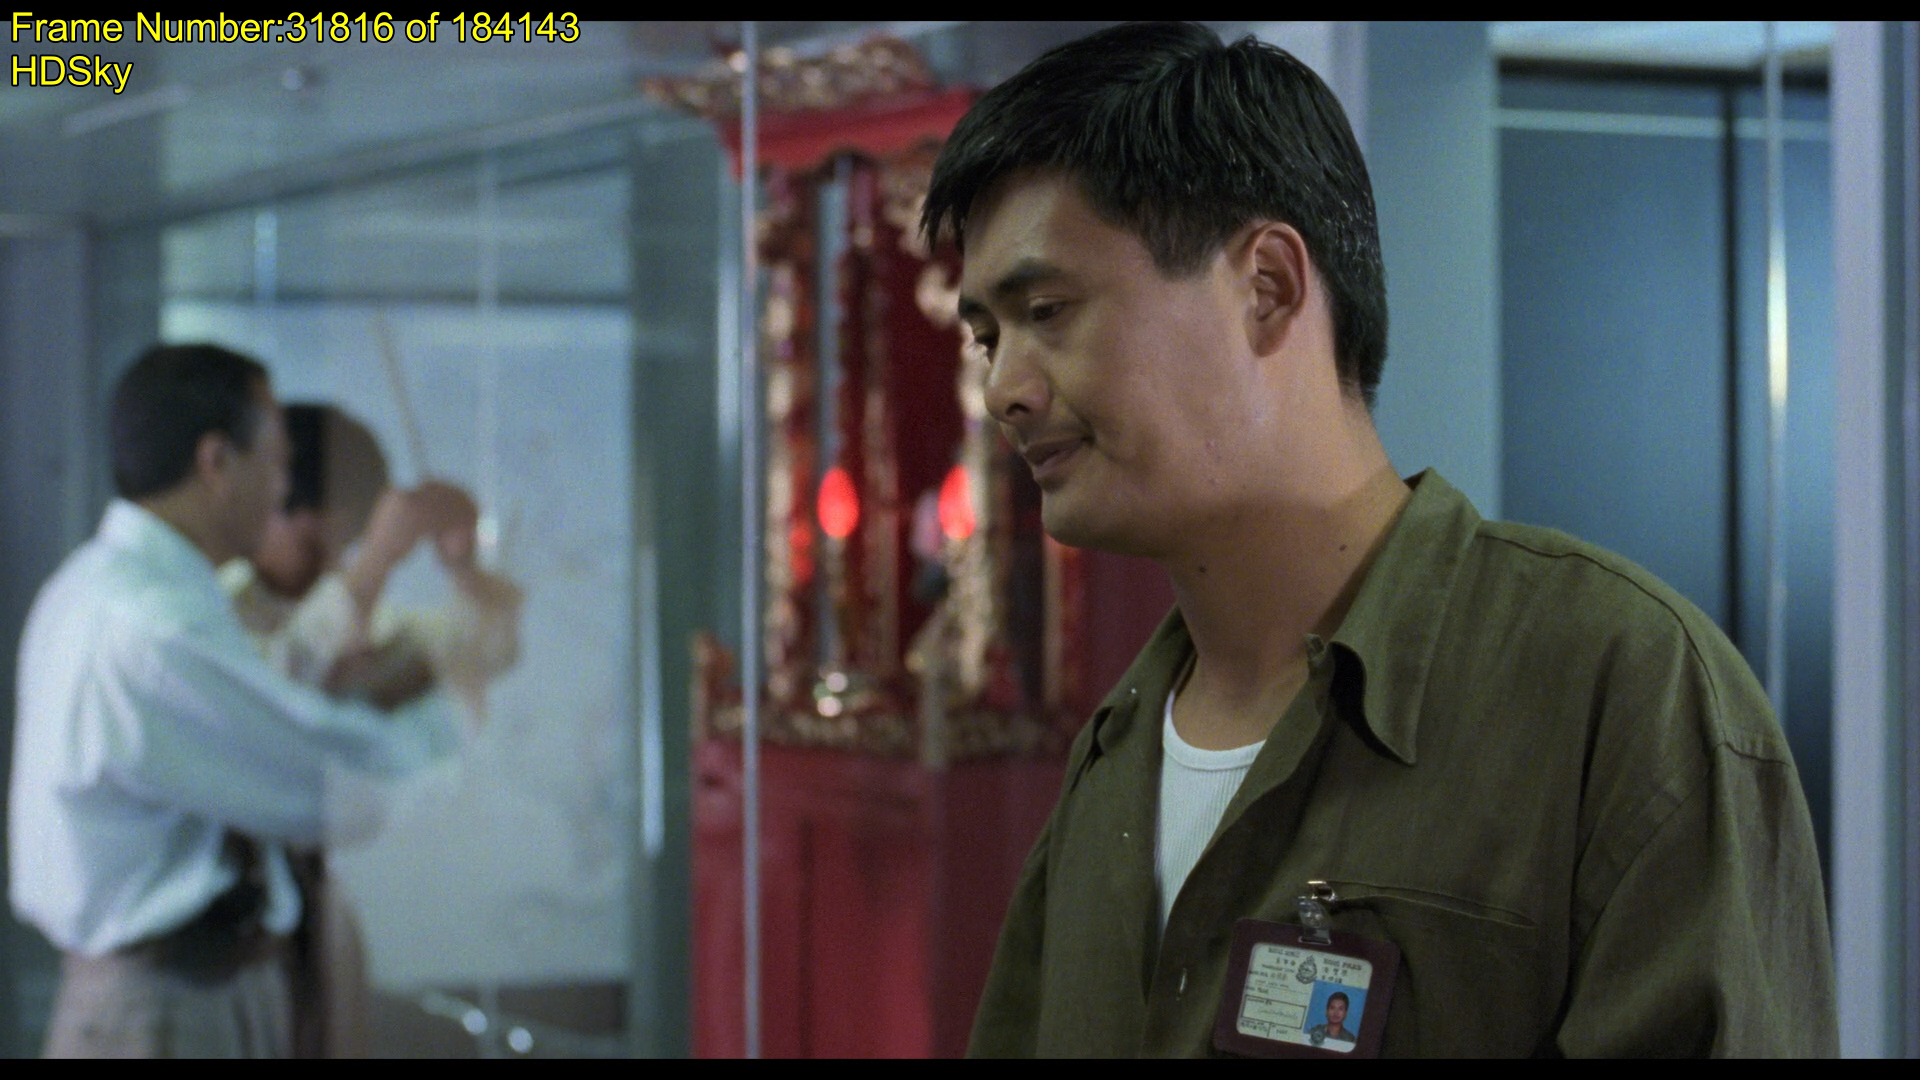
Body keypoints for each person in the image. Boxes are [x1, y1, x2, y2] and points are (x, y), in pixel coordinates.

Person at [925, 23, 1836, 1057]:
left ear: (1267, 287)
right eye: (988, 338)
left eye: (1048, 311)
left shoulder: (1614, 692)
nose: (1005, 389)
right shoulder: (1115, 759)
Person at [9, 344, 461, 1057]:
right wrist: (435, 723)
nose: (281, 491)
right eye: (276, 463)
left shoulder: (118, 589)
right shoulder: (149, 624)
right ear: (216, 462)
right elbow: (328, 783)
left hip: (188, 988)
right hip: (166, 1005)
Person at [219, 403, 522, 1057]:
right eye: (315, 539)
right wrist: (378, 560)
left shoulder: (356, 611)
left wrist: (461, 564)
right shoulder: (211, 609)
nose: (334, 560)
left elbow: (485, 648)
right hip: (227, 927)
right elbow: (283, 681)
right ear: (267, 508)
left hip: (318, 911)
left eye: (348, 543)